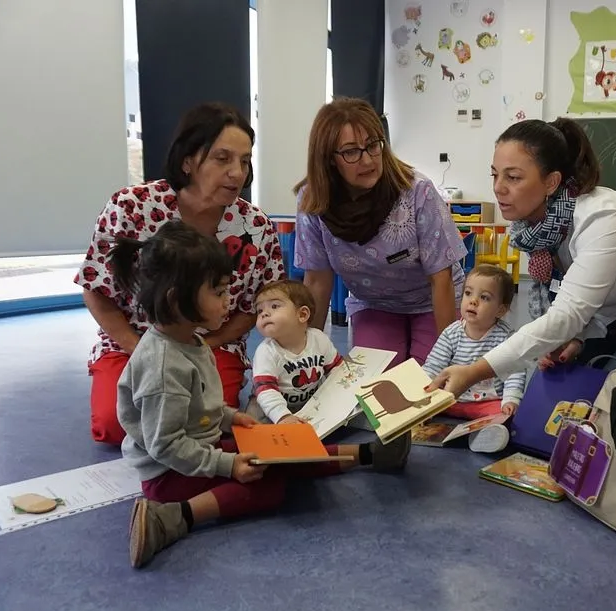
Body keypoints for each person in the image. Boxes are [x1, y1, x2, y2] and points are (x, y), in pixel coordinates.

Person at [113, 222, 411, 569]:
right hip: (169, 474)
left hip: (199, 448)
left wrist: (228, 417)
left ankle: (370, 455)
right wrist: (227, 465)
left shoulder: (190, 340)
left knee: (280, 449)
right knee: (269, 485)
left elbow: (198, 407)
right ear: (176, 299)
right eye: (219, 292)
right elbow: (164, 445)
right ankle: (174, 518)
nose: (230, 301)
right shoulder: (163, 366)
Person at [427, 118, 616, 399]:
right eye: (495, 174)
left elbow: (567, 314)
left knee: (613, 400)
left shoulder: (604, 218)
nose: (498, 187)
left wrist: (475, 371)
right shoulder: (537, 230)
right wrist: (578, 337)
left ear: (552, 182)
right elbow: (587, 305)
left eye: (513, 177)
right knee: (554, 386)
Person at [74, 102, 284, 446]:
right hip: (133, 342)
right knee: (117, 426)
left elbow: (254, 305)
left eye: (245, 161)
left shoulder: (256, 226)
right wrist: (142, 348)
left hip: (211, 346)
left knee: (204, 426)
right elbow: (95, 288)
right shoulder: (130, 207)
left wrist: (204, 345)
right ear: (188, 160)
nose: (237, 172)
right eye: (223, 158)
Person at [293, 97, 468, 368]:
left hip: (431, 300)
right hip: (374, 304)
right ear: (329, 160)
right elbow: (317, 281)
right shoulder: (313, 201)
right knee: (376, 384)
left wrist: (449, 357)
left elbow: (441, 279)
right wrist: (308, 357)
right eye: (351, 151)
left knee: (428, 382)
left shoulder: (416, 191)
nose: (367, 160)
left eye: (373, 145)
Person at [422, 264, 526, 453]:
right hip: (452, 399)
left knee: (507, 417)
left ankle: (483, 439)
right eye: (468, 293)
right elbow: (434, 365)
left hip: (487, 403)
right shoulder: (452, 333)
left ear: (500, 310)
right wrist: (425, 393)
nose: (473, 301)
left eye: (484, 297)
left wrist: (511, 400)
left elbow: (515, 373)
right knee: (428, 406)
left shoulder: (506, 337)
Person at [246, 279, 344, 424]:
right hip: (269, 404)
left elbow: (337, 368)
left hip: (310, 403)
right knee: (253, 426)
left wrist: (345, 389)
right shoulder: (266, 352)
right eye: (259, 310)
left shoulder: (318, 339)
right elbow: (266, 390)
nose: (264, 314)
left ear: (302, 314)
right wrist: (283, 417)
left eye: (274, 306)